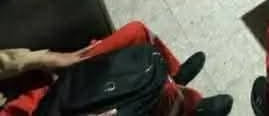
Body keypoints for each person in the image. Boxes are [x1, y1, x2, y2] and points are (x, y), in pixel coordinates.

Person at [0, 21, 232, 116]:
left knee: (136, 32)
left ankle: (172, 77)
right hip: (36, 108)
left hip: (37, 82)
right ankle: (186, 108)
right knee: (123, 101)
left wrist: (45, 58)